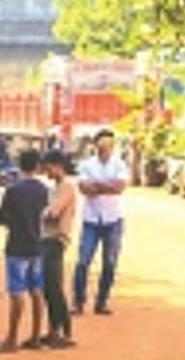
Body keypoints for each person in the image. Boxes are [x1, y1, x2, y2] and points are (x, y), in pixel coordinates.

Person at [0, 150, 50, 353]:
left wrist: (2, 220)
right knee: (36, 291)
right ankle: (35, 336)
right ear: (38, 166)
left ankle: (12, 338)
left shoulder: (13, 190)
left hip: (17, 245)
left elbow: (1, 216)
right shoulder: (43, 190)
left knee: (17, 293)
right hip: (36, 245)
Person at [73, 129, 128, 315]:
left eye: (108, 146)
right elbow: (84, 188)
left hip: (113, 220)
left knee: (110, 263)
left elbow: (119, 187)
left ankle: (101, 301)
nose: (105, 149)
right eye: (101, 146)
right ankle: (78, 301)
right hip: (91, 219)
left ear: (112, 147)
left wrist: (97, 187)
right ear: (95, 146)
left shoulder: (119, 164)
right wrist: (107, 186)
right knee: (82, 262)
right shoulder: (86, 165)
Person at [41, 149, 76, 348]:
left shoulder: (66, 187)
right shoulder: (57, 187)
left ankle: (64, 331)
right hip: (50, 239)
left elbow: (53, 213)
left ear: (57, 166)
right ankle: (54, 330)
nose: (47, 172)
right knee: (49, 287)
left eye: (48, 168)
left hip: (55, 240)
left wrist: (38, 212)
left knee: (54, 287)